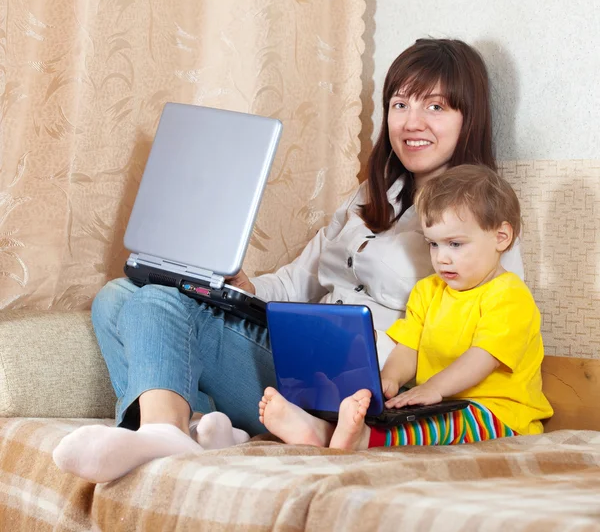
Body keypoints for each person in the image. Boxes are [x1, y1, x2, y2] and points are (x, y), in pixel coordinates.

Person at [52, 38, 524, 483]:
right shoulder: (372, 197)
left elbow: (482, 327)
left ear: (470, 118)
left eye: (435, 106)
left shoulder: (480, 225)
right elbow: (301, 278)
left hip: (348, 382)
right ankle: (192, 426)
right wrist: (242, 287)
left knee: (155, 302)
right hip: (294, 347)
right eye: (400, 104)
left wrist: (411, 384)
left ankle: (157, 433)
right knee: (116, 295)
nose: (411, 121)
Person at [258, 165, 554, 450]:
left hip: (501, 414)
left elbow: (481, 358)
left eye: (455, 244)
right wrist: (389, 378)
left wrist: (433, 388)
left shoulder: (510, 295)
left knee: (448, 423)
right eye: (433, 245)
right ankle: (322, 430)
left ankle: (361, 440)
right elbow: (407, 348)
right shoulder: (428, 290)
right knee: (392, 409)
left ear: (501, 237)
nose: (442, 258)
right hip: (440, 403)